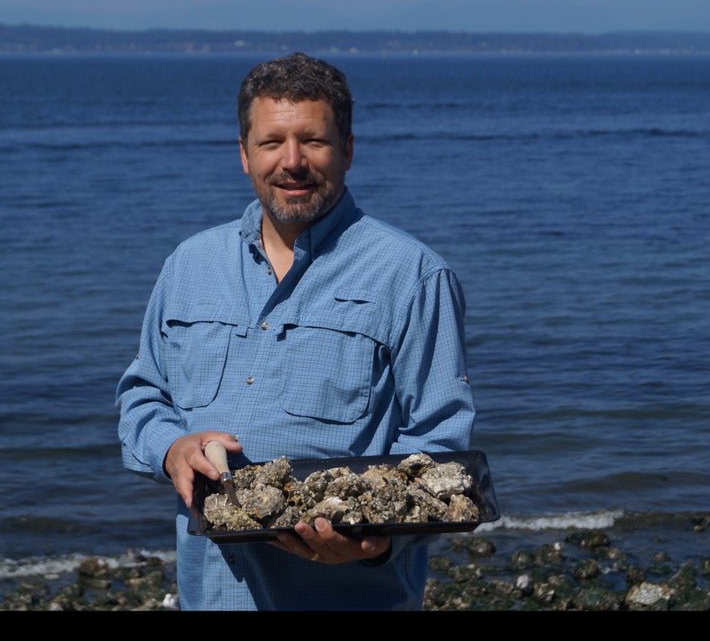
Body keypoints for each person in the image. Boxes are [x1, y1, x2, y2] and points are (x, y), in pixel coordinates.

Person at [116, 52, 475, 611]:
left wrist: (377, 543)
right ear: (243, 154)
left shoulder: (412, 275)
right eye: (271, 142)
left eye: (313, 141)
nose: (292, 161)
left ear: (349, 150)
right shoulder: (190, 265)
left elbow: (441, 447)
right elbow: (143, 395)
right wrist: (170, 448)